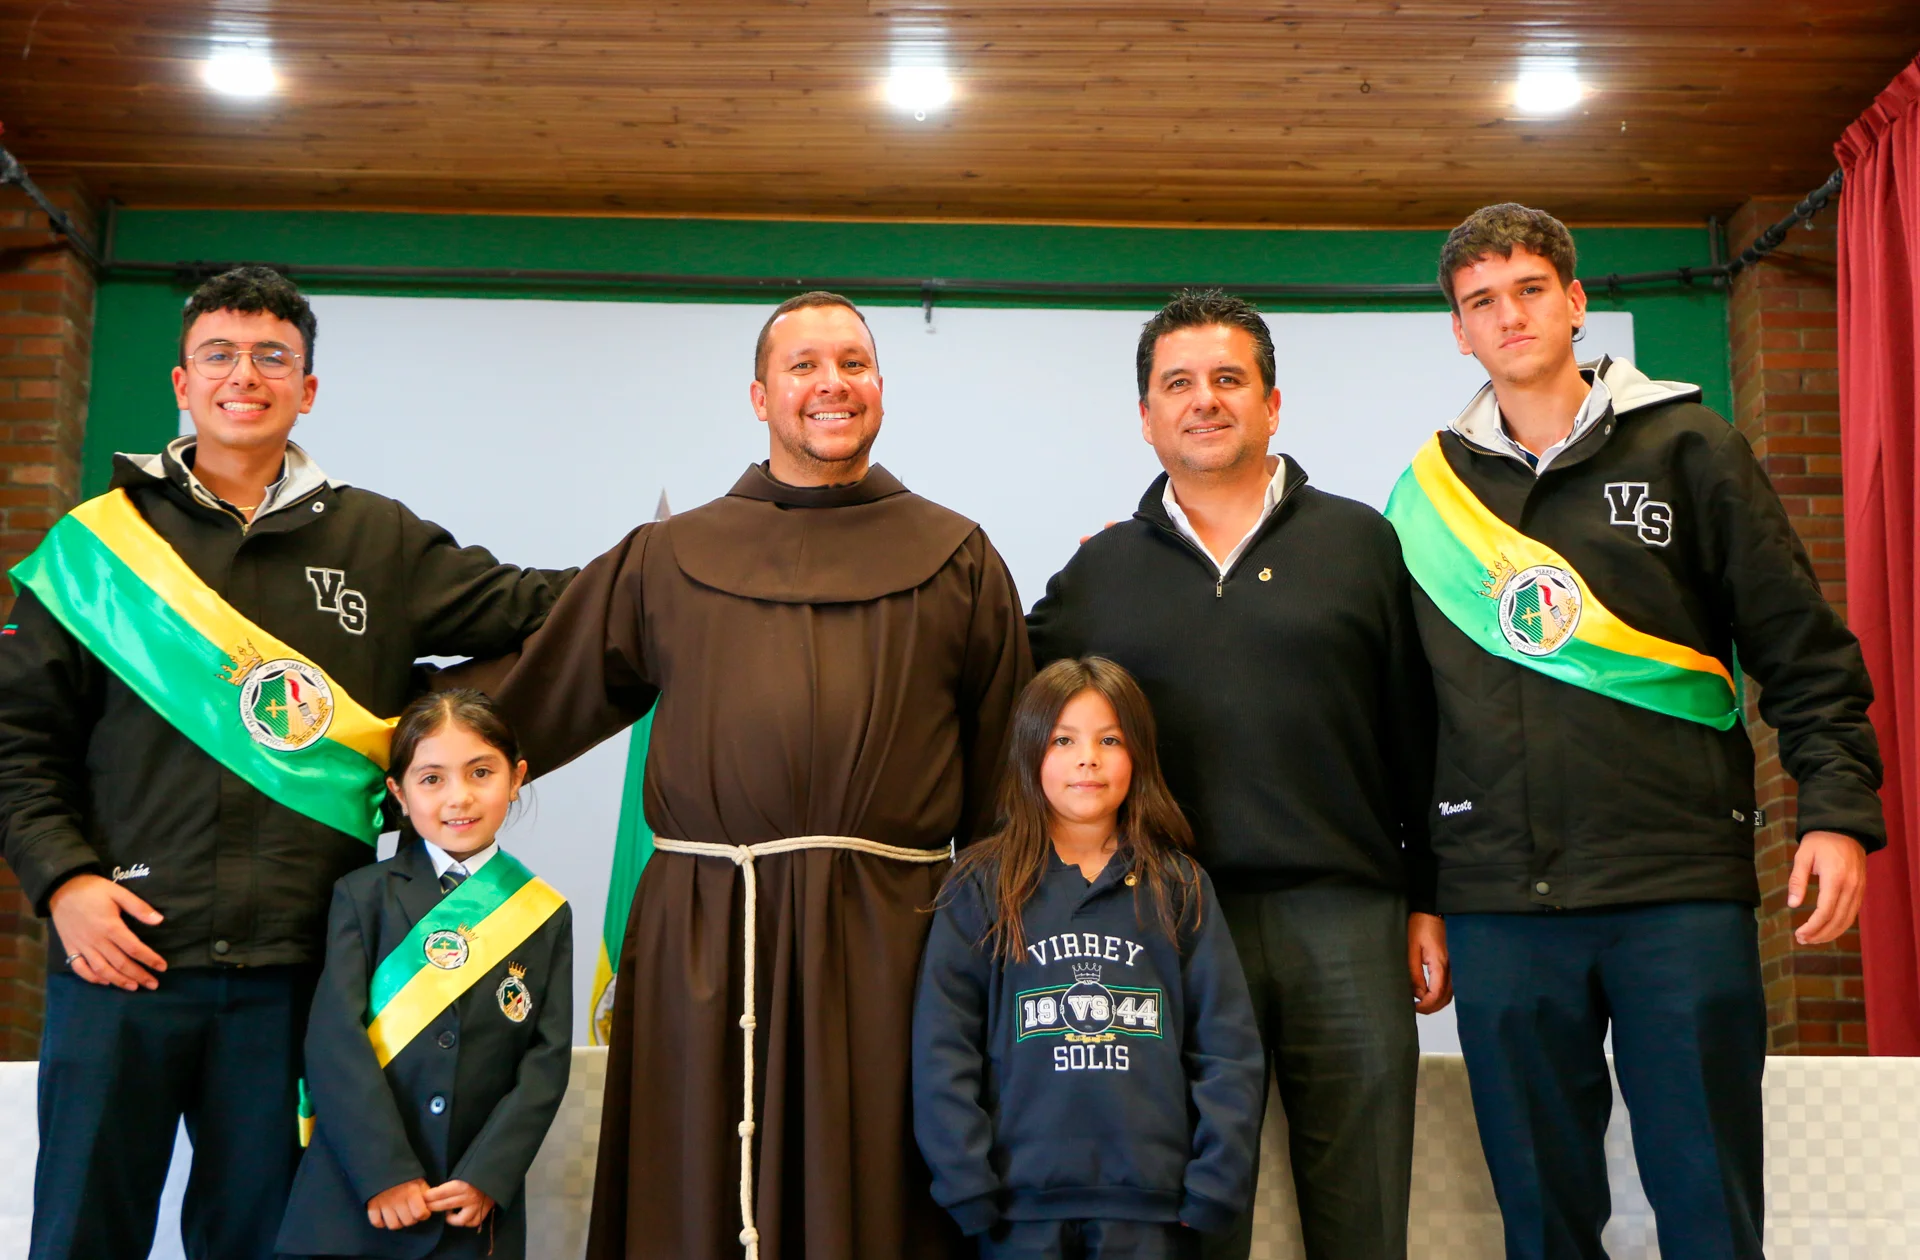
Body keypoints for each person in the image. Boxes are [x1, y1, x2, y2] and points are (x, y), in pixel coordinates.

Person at [441, 291, 1031, 1260]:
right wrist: (383, 748)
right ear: (760, 396)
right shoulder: (671, 557)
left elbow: (1006, 785)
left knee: (880, 1190)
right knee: (698, 1198)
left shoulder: (956, 558)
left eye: (853, 364)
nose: (832, 384)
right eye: (804, 366)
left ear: (881, 388)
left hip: (895, 939)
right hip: (709, 932)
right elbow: (531, 696)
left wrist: (995, 964)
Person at [0, 266, 573, 1260]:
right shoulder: (96, 548)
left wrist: (679, 567)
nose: (244, 375)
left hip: (299, 979)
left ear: (307, 389)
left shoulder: (378, 539)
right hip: (118, 953)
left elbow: (534, 606)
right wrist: (64, 881)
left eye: (273, 357)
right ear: (182, 382)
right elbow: (16, 739)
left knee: (272, 1243)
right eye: (219, 354)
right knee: (81, 1235)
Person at [1386, 203, 1884, 1260]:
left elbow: (1802, 650)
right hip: (1500, 903)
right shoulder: (1426, 497)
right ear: (1459, 332)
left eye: (1530, 289)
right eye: (1482, 302)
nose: (1510, 316)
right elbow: (1412, 720)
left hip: (1678, 889)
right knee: (1542, 1222)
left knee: (1708, 1205)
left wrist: (1836, 811)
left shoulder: (1692, 447)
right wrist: (1422, 891)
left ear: (1575, 301)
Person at [1025, 289, 1440, 1260]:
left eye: (1228, 379)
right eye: (1178, 384)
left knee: (1365, 1212)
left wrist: (1430, 896)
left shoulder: (1362, 545)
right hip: (1168, 921)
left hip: (1348, 917)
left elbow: (1421, 730)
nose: (1204, 400)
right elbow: (1021, 722)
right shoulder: (1098, 573)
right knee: (1191, 1216)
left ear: (1272, 404)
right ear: (1146, 417)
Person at [912, 657, 1265, 1260]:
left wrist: (1215, 1183)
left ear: (1139, 755)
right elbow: (943, 1047)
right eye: (1063, 740)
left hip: (1151, 1209)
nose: (1087, 760)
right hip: (1015, 1210)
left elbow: (1227, 1049)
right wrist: (965, 1182)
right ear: (1029, 751)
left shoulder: (1180, 886)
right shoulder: (980, 885)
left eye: (1109, 740)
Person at [277, 690, 572, 1260]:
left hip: (470, 1203)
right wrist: (383, 1172)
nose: (459, 797)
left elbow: (546, 1058)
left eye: (481, 772)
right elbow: (335, 1040)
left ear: (516, 778)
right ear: (399, 793)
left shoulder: (544, 912)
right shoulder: (362, 895)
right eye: (432, 779)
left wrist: (489, 1174)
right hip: (356, 1197)